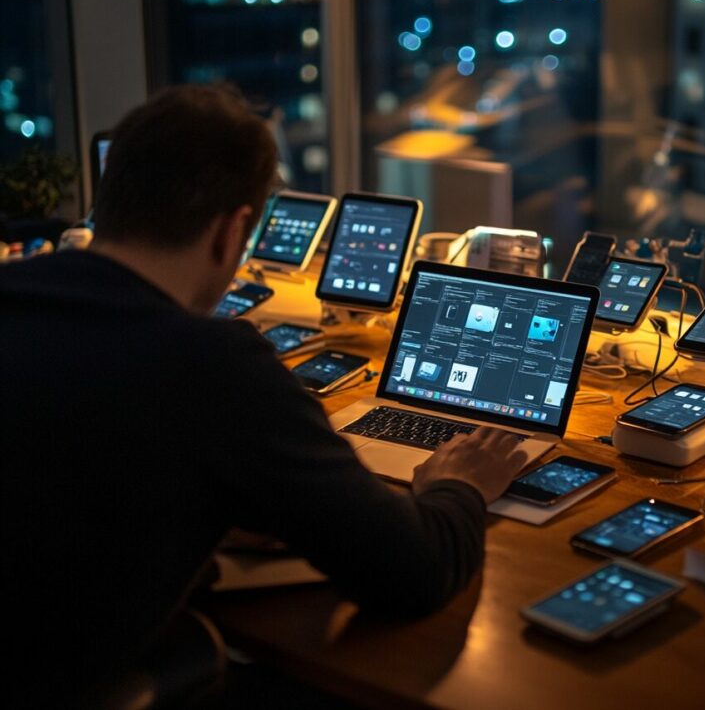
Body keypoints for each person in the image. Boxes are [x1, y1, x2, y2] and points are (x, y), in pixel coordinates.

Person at [0, 85, 526, 705]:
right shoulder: (213, 365)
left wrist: (207, 512)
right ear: (234, 233)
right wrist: (459, 483)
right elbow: (414, 575)